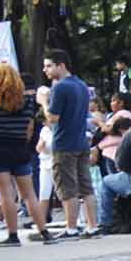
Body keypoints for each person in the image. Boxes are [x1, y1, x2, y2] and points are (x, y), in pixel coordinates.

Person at [0, 63, 55, 245]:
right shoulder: (25, 103)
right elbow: (29, 125)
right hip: (20, 149)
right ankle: (44, 232)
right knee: (29, 194)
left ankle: (13, 235)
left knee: (6, 195)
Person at [41, 48, 97, 237]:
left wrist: (43, 102)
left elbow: (53, 117)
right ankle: (92, 225)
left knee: (67, 187)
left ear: (61, 65)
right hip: (81, 141)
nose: (45, 70)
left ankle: (71, 228)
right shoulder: (81, 85)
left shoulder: (60, 87)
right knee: (86, 186)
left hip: (64, 143)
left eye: (49, 66)